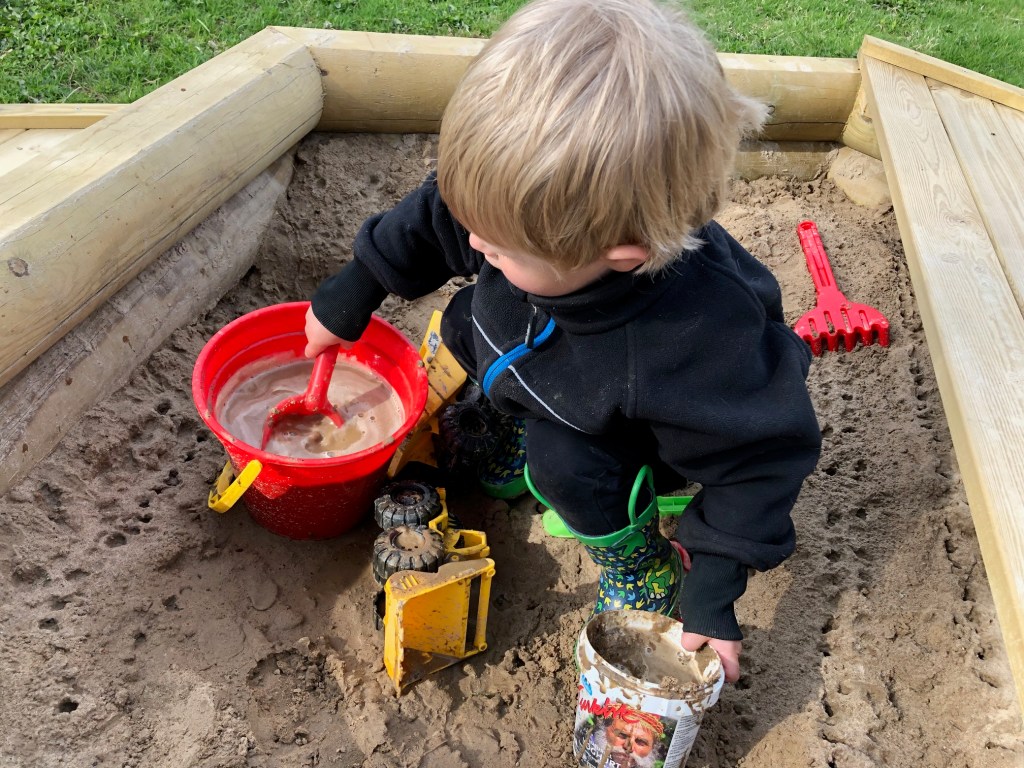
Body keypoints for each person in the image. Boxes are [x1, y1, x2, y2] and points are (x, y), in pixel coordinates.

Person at [303, 0, 822, 683]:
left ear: (620, 255)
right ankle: (509, 420)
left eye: (497, 248)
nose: (474, 244)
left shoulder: (694, 344)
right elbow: (437, 218)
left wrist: (714, 589)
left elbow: (759, 460)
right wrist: (354, 291)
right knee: (461, 318)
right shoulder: (533, 219)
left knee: (564, 465)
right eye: (475, 225)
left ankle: (638, 563)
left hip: (625, 426)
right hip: (540, 358)